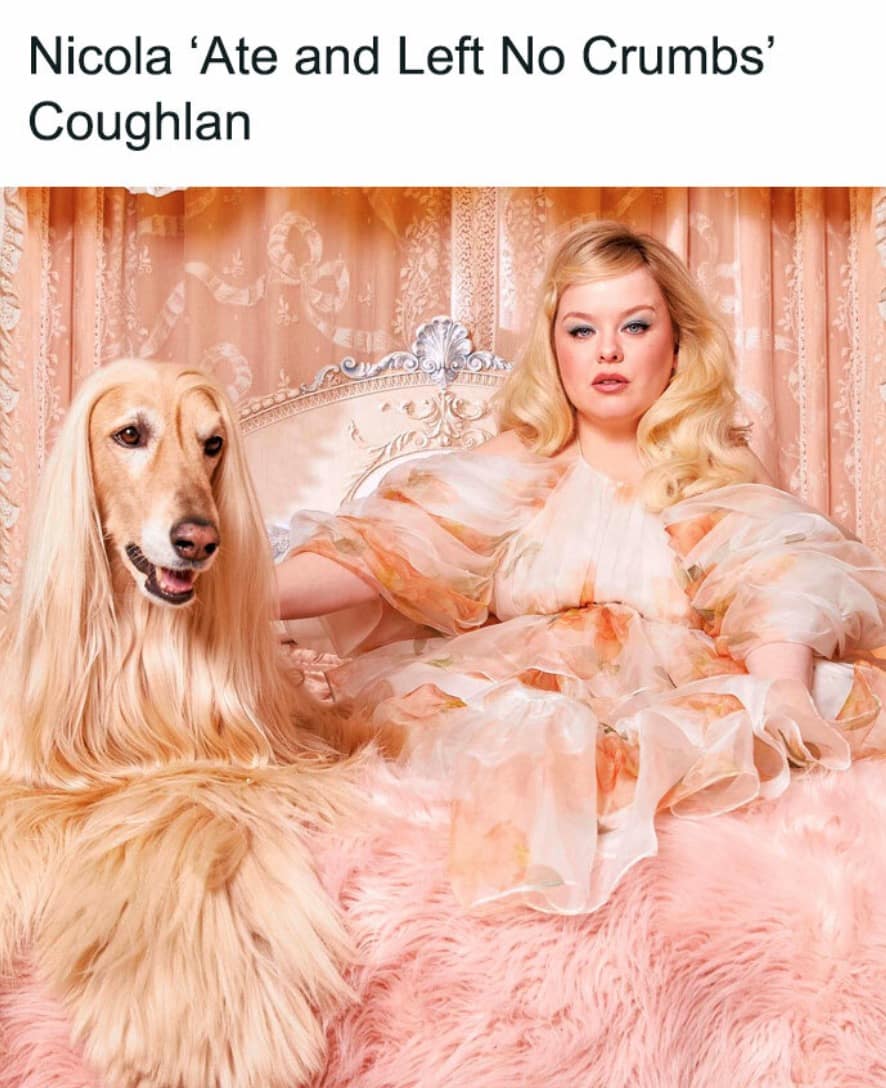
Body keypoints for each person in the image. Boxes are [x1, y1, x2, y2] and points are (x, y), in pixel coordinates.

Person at [275, 221, 886, 915]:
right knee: (516, 735)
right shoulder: (518, 463)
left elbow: (777, 584)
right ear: (555, 346)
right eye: (582, 330)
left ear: (677, 342)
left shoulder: (711, 471)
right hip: (524, 688)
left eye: (635, 326)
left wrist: (783, 699)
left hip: (673, 691)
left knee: (778, 716)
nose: (609, 351)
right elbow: (383, 550)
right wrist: (225, 592)